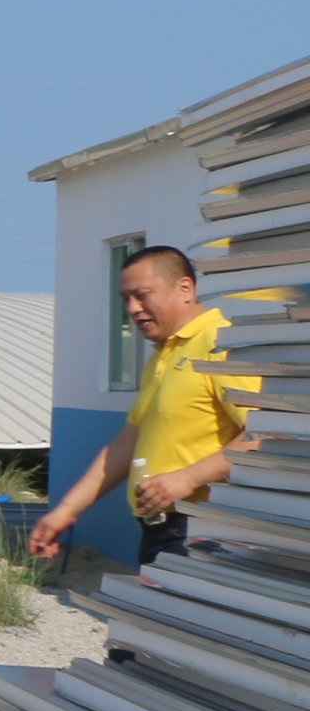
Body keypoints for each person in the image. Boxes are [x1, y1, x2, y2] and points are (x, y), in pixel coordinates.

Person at [31, 243, 260, 567]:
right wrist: (67, 510)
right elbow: (126, 444)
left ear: (185, 288)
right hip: (162, 532)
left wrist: (189, 478)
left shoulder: (218, 344)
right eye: (126, 299)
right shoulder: (162, 357)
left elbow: (266, 434)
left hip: (204, 531)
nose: (133, 308)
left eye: (142, 295)